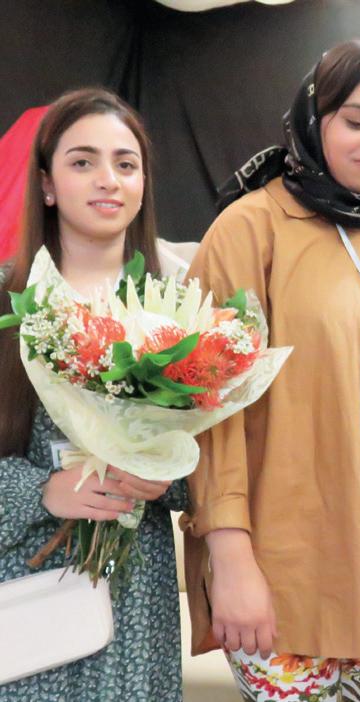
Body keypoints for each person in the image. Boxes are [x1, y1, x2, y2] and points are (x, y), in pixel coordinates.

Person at [181, 39, 360, 701]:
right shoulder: (250, 228)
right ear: (313, 119)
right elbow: (207, 410)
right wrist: (229, 555)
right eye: (356, 121)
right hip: (278, 571)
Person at [0, 88, 188, 701]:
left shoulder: (179, 312)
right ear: (47, 184)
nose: (108, 179)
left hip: (136, 594)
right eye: (83, 161)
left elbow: (219, 461)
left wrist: (168, 476)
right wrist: (42, 490)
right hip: (27, 587)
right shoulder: (7, 302)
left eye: (125, 164)